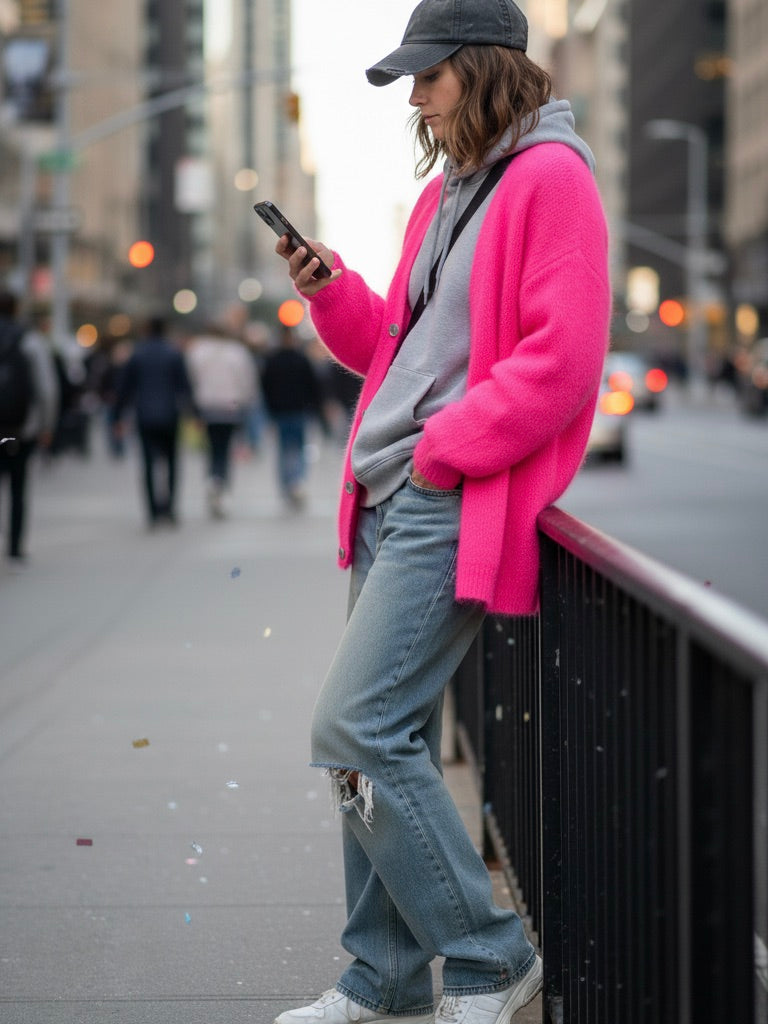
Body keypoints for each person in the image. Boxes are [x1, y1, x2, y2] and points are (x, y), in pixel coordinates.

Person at [271, 3, 611, 1024]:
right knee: (374, 735)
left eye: (428, 75)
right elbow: (400, 354)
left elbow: (561, 361)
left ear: (481, 68)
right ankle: (381, 974)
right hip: (387, 496)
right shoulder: (443, 197)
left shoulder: (552, 179)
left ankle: (486, 952)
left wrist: (443, 454)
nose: (414, 96)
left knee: (354, 725)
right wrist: (332, 297)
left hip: (441, 497)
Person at [113, 316, 193, 527]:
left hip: (145, 415)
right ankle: (170, 508)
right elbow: (184, 386)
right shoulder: (174, 353)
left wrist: (117, 416)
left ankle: (152, 511)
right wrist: (194, 414)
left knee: (148, 465)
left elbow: (124, 389)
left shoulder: (137, 354)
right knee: (172, 464)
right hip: (170, 415)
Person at [0, 291, 59, 564]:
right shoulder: (29, 340)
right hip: (19, 427)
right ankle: (14, 545)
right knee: (18, 486)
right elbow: (46, 389)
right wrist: (47, 425)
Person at [185, 322, 257, 518]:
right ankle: (221, 483)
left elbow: (191, 379)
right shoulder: (237, 352)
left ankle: (213, 479)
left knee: (212, 447)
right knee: (224, 449)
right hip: (230, 406)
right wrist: (245, 401)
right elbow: (246, 381)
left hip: (206, 406)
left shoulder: (198, 351)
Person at [260, 324, 322, 508]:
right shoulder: (301, 359)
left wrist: (270, 409)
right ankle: (297, 482)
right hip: (298, 411)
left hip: (281, 412)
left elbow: (265, 386)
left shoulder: (272, 360)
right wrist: (313, 407)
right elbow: (313, 386)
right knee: (298, 449)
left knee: (284, 450)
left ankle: (288, 485)